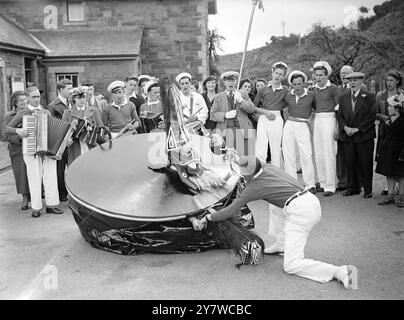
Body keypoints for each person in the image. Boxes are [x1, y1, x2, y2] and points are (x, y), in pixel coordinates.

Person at [199, 156, 356, 289]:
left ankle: (341, 271)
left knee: (291, 265)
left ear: (248, 175)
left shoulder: (254, 188)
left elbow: (230, 211)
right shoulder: (268, 167)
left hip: (301, 212)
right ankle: (281, 244)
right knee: (274, 205)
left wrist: (209, 217)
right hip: (310, 201)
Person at [4, 86, 63, 218]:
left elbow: (53, 129)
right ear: (28, 98)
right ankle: (36, 208)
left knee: (50, 177)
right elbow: (7, 129)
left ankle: (52, 205)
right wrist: (18, 131)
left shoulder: (46, 112)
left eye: (38, 97)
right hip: (30, 150)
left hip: (48, 150)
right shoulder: (23, 113)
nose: (37, 99)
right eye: (34, 97)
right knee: (34, 178)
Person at [337, 72, 376, 199]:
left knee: (365, 164)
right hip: (348, 136)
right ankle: (353, 188)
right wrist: (345, 127)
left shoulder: (369, 96)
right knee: (350, 163)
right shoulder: (343, 97)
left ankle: (368, 190)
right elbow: (340, 115)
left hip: (364, 136)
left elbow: (371, 116)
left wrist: (357, 129)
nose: (352, 83)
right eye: (350, 80)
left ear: (361, 81)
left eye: (355, 80)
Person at [282, 71, 316, 193]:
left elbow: (316, 110)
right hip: (289, 125)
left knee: (306, 155)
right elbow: (283, 108)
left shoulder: (311, 95)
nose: (297, 87)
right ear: (292, 85)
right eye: (295, 84)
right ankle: (292, 184)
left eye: (299, 84)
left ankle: (310, 184)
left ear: (304, 83)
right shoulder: (288, 95)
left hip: (303, 125)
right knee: (288, 154)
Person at [210, 71, 256, 156]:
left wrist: (241, 100)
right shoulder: (218, 97)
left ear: (236, 81)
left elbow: (251, 109)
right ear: (224, 82)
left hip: (242, 130)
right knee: (228, 157)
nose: (230, 83)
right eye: (228, 80)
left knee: (243, 157)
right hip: (225, 131)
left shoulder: (243, 94)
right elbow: (212, 115)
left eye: (233, 80)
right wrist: (225, 115)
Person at [312, 61, 340, 196]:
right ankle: (322, 183)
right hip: (317, 120)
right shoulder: (314, 89)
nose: (319, 77)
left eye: (321, 75)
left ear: (326, 75)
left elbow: (339, 109)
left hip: (330, 119)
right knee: (318, 152)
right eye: (316, 75)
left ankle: (331, 185)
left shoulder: (333, 88)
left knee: (329, 152)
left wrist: (337, 127)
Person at [254, 61, 289, 167]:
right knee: (261, 145)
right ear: (272, 72)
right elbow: (254, 106)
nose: (278, 76)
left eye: (281, 74)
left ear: (283, 77)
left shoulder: (285, 90)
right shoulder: (262, 89)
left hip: (277, 118)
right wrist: (264, 112)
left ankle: (276, 172)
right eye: (277, 73)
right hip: (264, 117)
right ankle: (260, 171)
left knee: (275, 147)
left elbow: (287, 104)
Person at [375, 71, 404, 195]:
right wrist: (384, 118)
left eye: (392, 80)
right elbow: (375, 112)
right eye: (387, 80)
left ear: (397, 81)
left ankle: (400, 188)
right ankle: (389, 188)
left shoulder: (402, 95)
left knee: (398, 160)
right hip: (384, 130)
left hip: (399, 129)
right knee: (386, 158)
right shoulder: (380, 95)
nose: (389, 83)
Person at [2, 90, 30, 210]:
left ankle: (35, 194)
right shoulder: (9, 116)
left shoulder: (30, 112)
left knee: (32, 172)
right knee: (21, 174)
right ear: (15, 103)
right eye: (21, 100)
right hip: (16, 148)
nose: (24, 102)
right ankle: (24, 198)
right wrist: (19, 136)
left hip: (30, 147)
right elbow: (5, 135)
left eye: (25, 99)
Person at [62, 87, 104, 165]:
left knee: (92, 167)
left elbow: (101, 128)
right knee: (76, 167)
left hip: (91, 144)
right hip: (75, 146)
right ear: (74, 98)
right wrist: (68, 136)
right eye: (79, 97)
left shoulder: (94, 110)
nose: (82, 100)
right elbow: (62, 131)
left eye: (84, 97)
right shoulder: (67, 112)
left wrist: (91, 128)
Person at [47, 79, 73, 202]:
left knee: (73, 167)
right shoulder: (53, 106)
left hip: (73, 141)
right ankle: (62, 194)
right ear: (60, 90)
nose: (71, 91)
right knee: (60, 169)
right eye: (68, 88)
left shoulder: (72, 102)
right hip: (61, 144)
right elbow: (51, 126)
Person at [336, 65, 354, 192]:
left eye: (347, 73)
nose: (344, 75)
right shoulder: (337, 89)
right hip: (340, 125)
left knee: (353, 156)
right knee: (340, 155)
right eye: (342, 73)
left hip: (354, 126)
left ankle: (355, 182)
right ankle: (342, 182)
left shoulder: (360, 88)